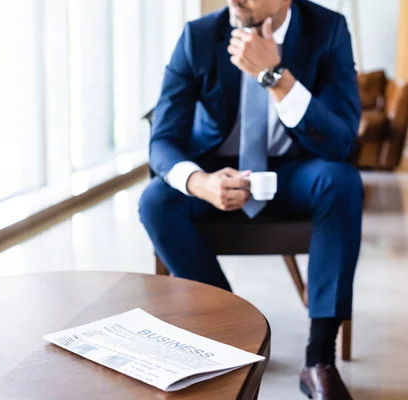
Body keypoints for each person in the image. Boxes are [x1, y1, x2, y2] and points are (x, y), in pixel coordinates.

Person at [138, 0, 362, 399]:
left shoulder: (327, 30)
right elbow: (163, 141)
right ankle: (234, 335)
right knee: (156, 200)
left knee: (341, 181)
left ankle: (318, 359)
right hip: (218, 173)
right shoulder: (199, 37)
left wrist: (276, 77)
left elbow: (340, 141)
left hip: (293, 173)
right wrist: (200, 181)